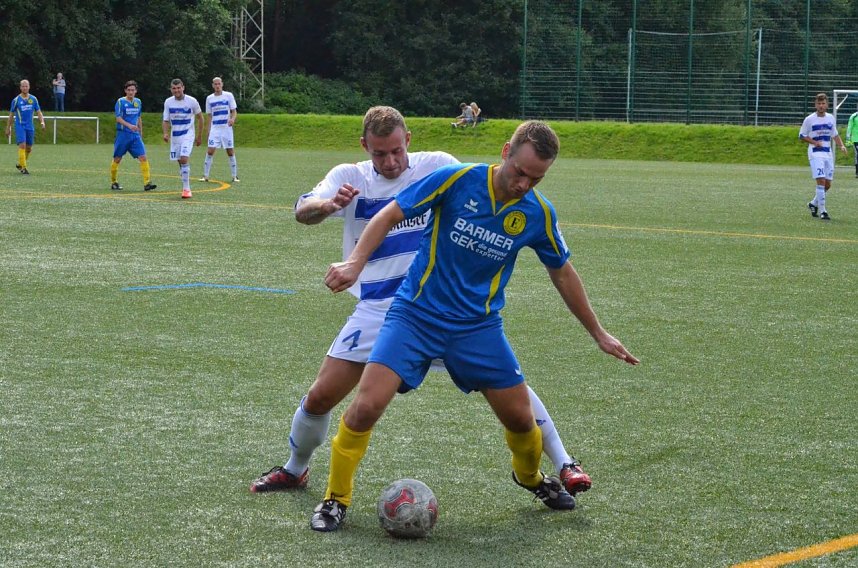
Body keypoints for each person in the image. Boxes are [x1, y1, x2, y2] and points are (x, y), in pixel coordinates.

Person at [310, 120, 639, 532]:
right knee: (366, 407)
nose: (524, 184)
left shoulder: (537, 212)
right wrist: (356, 262)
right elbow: (389, 215)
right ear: (505, 151)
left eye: (536, 178)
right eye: (519, 172)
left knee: (521, 421)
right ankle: (335, 499)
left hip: (477, 327)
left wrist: (598, 332)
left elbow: (562, 272)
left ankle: (532, 478)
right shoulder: (457, 179)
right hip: (415, 315)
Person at [250, 107, 593, 501]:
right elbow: (302, 209)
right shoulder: (349, 176)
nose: (391, 161)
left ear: (408, 140)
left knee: (512, 393)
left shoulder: (439, 166)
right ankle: (296, 469)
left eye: (397, 150)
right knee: (322, 395)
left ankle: (562, 463)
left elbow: (488, 194)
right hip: (383, 308)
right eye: (380, 154)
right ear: (365, 147)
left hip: (444, 305)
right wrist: (327, 207)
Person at [800, 93, 847, 221]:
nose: (821, 106)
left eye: (823, 103)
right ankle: (823, 211)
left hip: (828, 153)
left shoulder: (831, 118)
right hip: (815, 153)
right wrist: (815, 142)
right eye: (819, 104)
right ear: (815, 105)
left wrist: (841, 146)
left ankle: (812, 204)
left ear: (827, 105)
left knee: (827, 185)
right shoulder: (809, 119)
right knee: (821, 181)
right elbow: (802, 136)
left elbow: (835, 135)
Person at [111, 80, 157, 192]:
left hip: (135, 136)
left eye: (133, 90)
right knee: (117, 159)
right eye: (129, 90)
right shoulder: (120, 102)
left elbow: (138, 117)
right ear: (125, 91)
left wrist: (140, 132)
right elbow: (118, 118)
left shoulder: (138, 102)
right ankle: (114, 182)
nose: (131, 92)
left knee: (143, 157)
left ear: (136, 91)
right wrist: (129, 126)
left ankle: (147, 183)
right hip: (123, 135)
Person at [162, 78, 203, 199]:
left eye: (178, 88)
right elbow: (165, 120)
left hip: (188, 135)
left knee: (184, 159)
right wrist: (165, 133)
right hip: (175, 136)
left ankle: (186, 189)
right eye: (174, 88)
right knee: (180, 161)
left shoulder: (192, 101)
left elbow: (200, 118)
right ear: (171, 89)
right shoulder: (168, 102)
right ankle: (185, 178)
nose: (176, 90)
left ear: (183, 87)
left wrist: (199, 136)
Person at [200, 77, 239, 183]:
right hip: (215, 129)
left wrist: (232, 119)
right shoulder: (209, 98)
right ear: (213, 85)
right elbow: (209, 116)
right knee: (210, 150)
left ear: (222, 84)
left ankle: (234, 176)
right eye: (215, 84)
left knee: (230, 151)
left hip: (226, 128)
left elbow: (234, 111)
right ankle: (205, 176)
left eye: (219, 83)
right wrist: (208, 130)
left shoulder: (228, 95)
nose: (217, 86)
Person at [5, 79, 46, 175]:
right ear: (20, 87)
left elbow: (39, 112)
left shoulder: (33, 99)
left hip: (30, 126)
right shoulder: (16, 100)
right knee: (22, 145)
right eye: (23, 86)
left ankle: (20, 163)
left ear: (29, 87)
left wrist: (42, 122)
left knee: (28, 148)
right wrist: (8, 128)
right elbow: (11, 115)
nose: (24, 87)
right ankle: (23, 168)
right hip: (20, 126)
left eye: (26, 86)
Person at [844, 102, 858, 178]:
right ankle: (857, 172)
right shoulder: (853, 116)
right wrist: (848, 139)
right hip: (856, 139)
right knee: (857, 155)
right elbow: (849, 128)